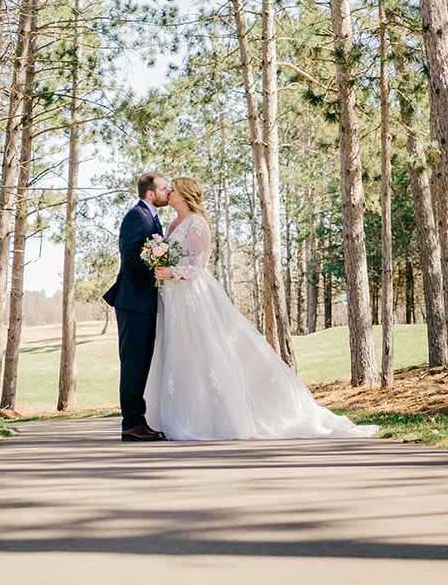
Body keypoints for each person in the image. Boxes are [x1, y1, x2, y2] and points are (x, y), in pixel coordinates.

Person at [146, 176, 379, 442]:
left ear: (184, 195)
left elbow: (200, 263)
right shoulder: (174, 223)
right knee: (180, 353)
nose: (170, 192)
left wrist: (172, 271)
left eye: (173, 189)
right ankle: (183, 414)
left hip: (194, 296)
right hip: (175, 298)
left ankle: (214, 418)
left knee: (205, 351)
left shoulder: (197, 223)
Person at [104, 170, 170, 441]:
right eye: (165, 188)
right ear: (150, 193)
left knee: (142, 362)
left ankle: (138, 420)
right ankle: (131, 423)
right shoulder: (135, 216)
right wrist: (158, 266)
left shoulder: (152, 217)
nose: (169, 191)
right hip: (132, 302)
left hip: (146, 301)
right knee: (132, 363)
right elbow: (131, 256)